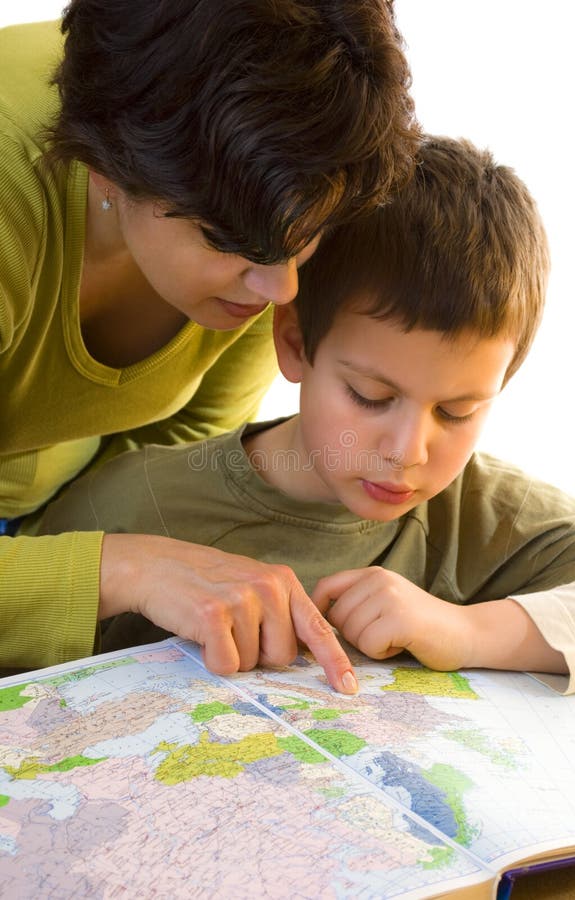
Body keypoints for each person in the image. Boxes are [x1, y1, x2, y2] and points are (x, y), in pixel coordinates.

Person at [36, 136, 575, 694]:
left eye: (456, 411)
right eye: (370, 396)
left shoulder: (489, 513)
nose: (407, 451)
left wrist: (470, 630)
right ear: (295, 344)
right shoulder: (134, 504)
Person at [0, 0, 421, 692]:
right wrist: (127, 568)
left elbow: (177, 451)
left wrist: (97, 541)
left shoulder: (276, 185)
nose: (283, 286)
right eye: (232, 244)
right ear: (109, 170)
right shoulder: (31, 186)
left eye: (304, 239)